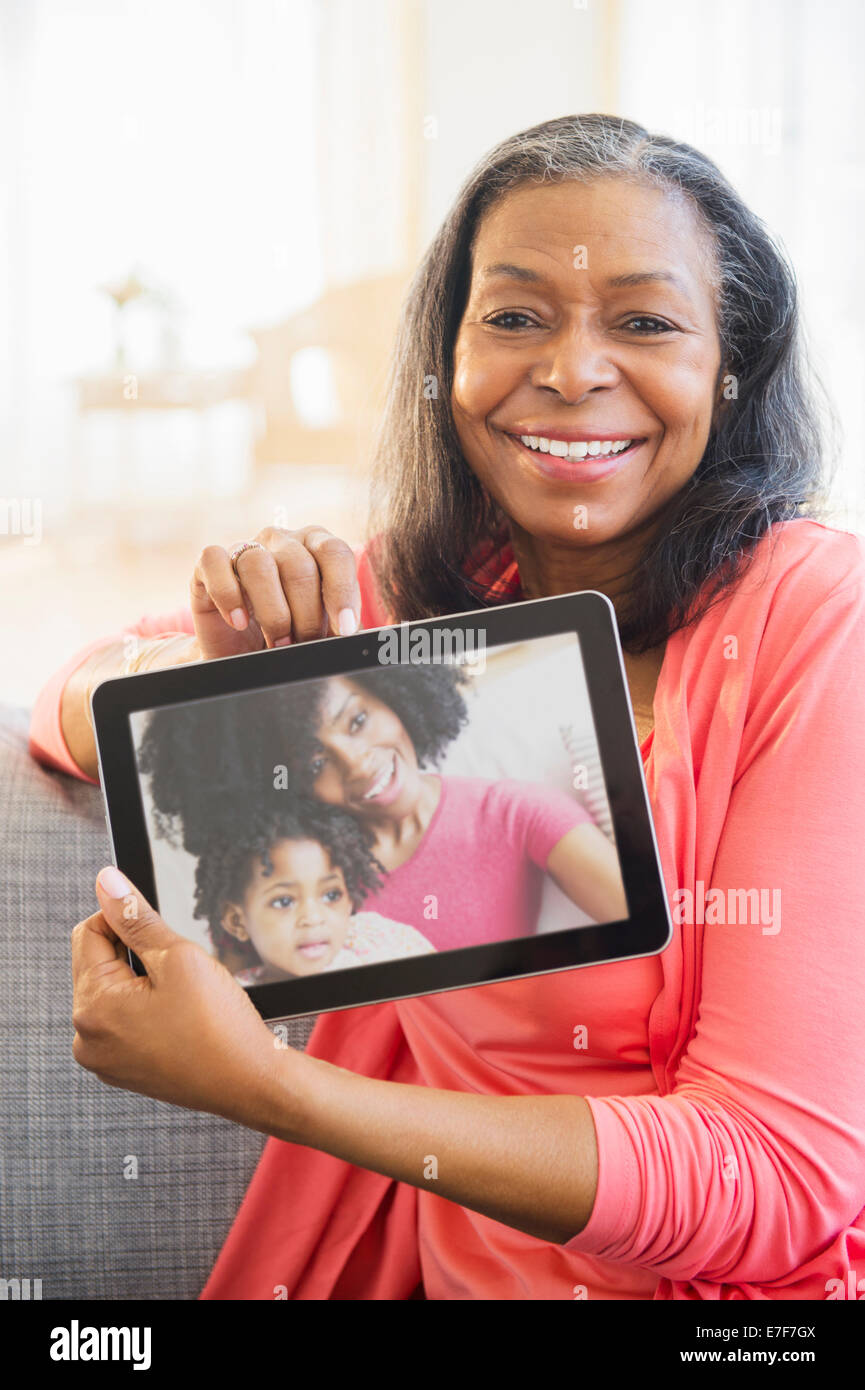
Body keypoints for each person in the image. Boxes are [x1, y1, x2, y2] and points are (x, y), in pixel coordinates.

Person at [37, 114, 865, 1299]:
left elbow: (776, 1176)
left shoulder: (812, 614)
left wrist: (269, 1088)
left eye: (644, 321)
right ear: (448, 355)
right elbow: (70, 696)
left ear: (731, 366)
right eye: (515, 316)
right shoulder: (420, 598)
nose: (572, 370)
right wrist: (209, 688)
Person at [135, 663, 627, 950]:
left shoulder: (516, 814)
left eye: (357, 721)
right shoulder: (285, 867)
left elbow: (647, 926)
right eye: (311, 762)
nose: (356, 763)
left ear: (397, 696)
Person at [169, 788, 435, 982]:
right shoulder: (235, 1003)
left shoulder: (382, 946)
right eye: (284, 901)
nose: (313, 918)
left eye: (331, 895)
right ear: (237, 921)